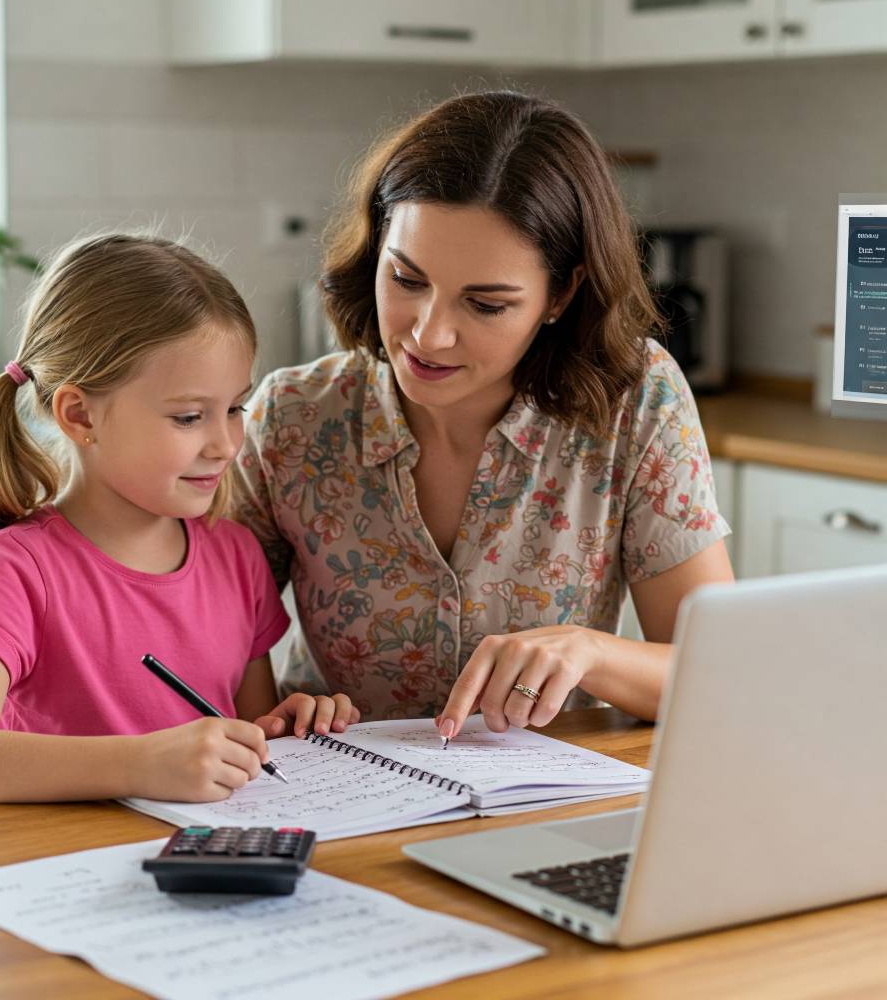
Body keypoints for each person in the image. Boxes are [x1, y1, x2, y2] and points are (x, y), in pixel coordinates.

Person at [232, 90, 734, 741]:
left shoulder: (635, 402)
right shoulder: (293, 418)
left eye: (486, 304)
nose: (429, 335)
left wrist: (591, 652)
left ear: (562, 293)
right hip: (340, 801)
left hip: (542, 806)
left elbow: (720, 673)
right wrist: (267, 721)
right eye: (407, 281)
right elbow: (205, 641)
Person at [0, 233, 357, 813]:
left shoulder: (236, 556)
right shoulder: (20, 569)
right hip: (60, 876)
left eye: (235, 409)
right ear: (80, 414)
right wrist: (139, 763)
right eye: (190, 416)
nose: (225, 444)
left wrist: (277, 730)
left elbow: (240, 733)